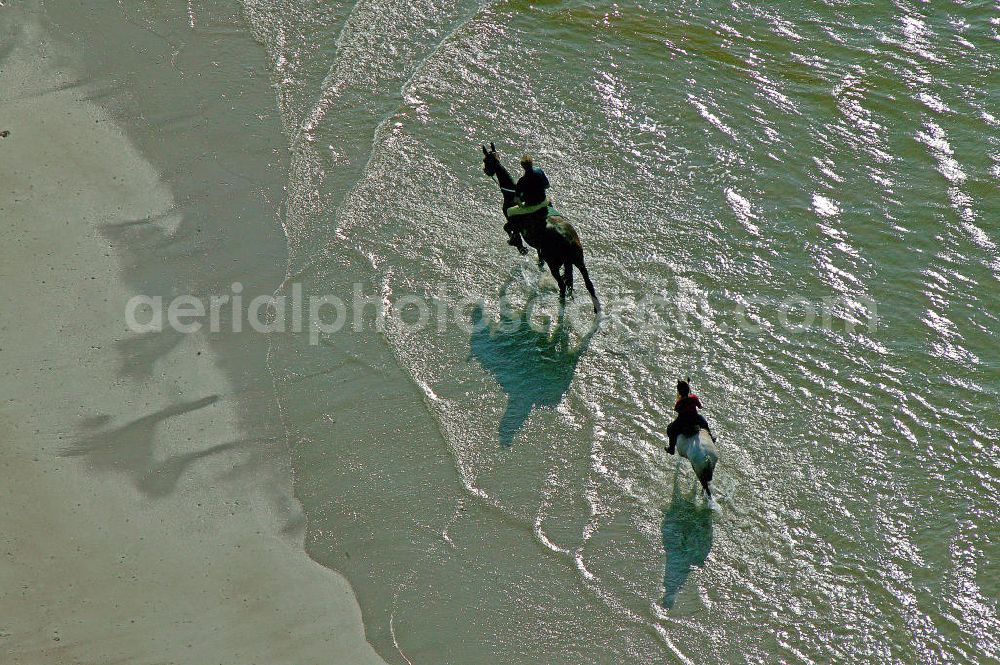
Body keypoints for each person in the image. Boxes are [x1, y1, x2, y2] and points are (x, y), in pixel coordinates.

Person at [504, 155, 551, 251]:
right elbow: (547, 186)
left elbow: (517, 199)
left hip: (531, 206)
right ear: (532, 163)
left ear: (522, 166)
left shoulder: (522, 180)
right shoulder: (539, 171)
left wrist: (521, 206)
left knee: (509, 211)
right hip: (543, 201)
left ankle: (515, 237)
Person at [666, 379, 715, 455]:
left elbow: (676, 410)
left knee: (671, 430)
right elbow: (700, 406)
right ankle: (711, 437)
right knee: (704, 423)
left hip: (683, 421)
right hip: (694, 419)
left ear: (679, 392)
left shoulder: (679, 402)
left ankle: (671, 448)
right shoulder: (694, 398)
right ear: (688, 389)